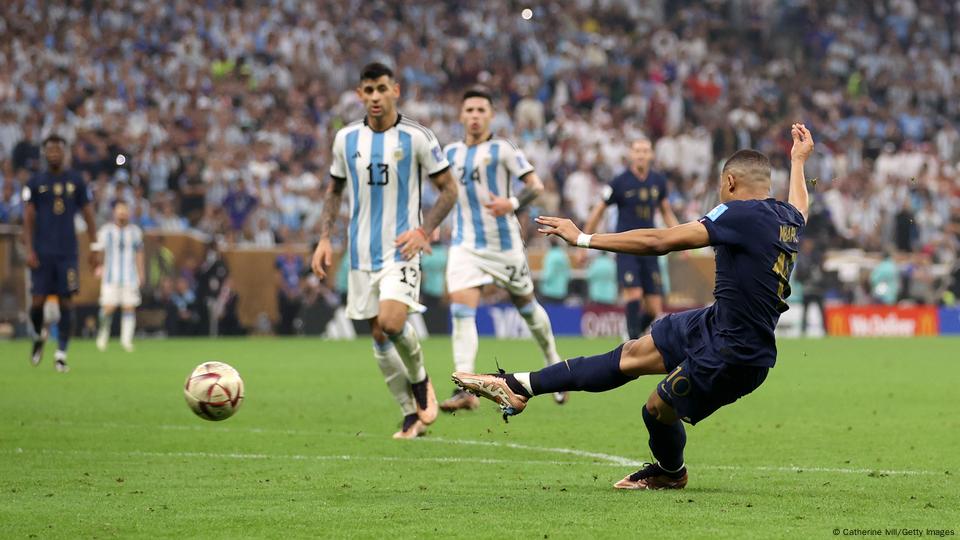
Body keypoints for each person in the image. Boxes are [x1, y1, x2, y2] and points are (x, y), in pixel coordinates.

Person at [454, 124, 814, 491]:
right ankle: (518, 385)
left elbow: (660, 239)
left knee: (655, 410)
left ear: (731, 182)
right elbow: (801, 204)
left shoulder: (738, 213)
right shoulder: (787, 217)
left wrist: (583, 238)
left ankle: (671, 473)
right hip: (716, 323)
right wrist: (798, 162)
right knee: (630, 354)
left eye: (721, 186)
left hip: (734, 352)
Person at [311, 62, 458, 439]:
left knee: (392, 323)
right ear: (360, 95)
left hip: (401, 250)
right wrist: (325, 239)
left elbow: (449, 189)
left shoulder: (417, 137)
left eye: (381, 89)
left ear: (395, 90)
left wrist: (424, 230)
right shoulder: (345, 139)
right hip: (361, 255)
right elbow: (334, 191)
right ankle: (409, 412)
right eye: (368, 90)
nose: (375, 97)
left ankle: (421, 379)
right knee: (378, 337)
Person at [439, 87, 565, 412]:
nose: (475, 116)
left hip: (504, 246)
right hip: (465, 245)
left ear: (491, 115)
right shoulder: (450, 153)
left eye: (482, 110)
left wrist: (510, 202)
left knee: (526, 306)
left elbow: (535, 186)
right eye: (470, 110)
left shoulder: (504, 149)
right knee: (461, 310)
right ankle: (464, 388)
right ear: (461, 115)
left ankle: (552, 360)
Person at [583, 138, 680, 339]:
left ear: (651, 155)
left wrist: (681, 237)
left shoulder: (658, 182)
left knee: (654, 308)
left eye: (645, 150)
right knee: (634, 294)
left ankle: (631, 335)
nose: (641, 154)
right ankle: (632, 342)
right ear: (631, 155)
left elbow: (666, 212)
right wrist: (582, 241)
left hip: (651, 247)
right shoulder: (619, 182)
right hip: (627, 247)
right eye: (637, 150)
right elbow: (599, 210)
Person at [22, 135, 97, 372]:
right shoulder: (35, 182)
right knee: (37, 302)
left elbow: (88, 214)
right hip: (42, 253)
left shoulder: (77, 180)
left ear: (65, 153)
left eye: (58, 149)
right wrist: (30, 249)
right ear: (44, 153)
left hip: (67, 253)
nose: (54, 153)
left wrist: (94, 247)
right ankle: (37, 335)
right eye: (50, 149)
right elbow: (28, 218)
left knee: (66, 301)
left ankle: (61, 353)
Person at [94, 201, 145, 352]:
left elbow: (139, 253)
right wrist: (98, 266)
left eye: (125, 210)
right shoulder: (106, 231)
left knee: (129, 307)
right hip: (110, 276)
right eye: (119, 210)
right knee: (107, 308)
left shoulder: (135, 232)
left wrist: (141, 273)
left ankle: (126, 341)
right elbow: (98, 251)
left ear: (128, 212)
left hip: (130, 276)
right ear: (114, 212)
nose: (122, 213)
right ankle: (102, 336)